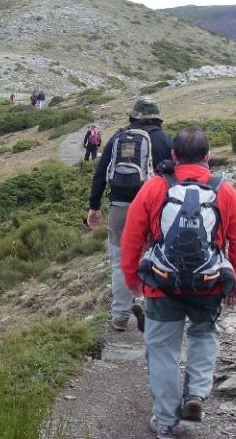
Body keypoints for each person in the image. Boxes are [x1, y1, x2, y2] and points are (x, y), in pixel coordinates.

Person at [120, 126, 236, 439]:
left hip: (161, 285)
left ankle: (165, 422)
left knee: (162, 349)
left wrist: (131, 279)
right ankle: (195, 395)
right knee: (204, 335)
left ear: (174, 156)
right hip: (209, 285)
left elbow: (132, 237)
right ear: (207, 156)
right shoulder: (224, 190)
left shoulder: (154, 188)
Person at [86, 97, 172, 332]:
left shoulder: (118, 137)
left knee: (119, 260)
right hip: (155, 207)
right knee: (153, 256)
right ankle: (145, 302)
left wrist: (94, 207)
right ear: (157, 117)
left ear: (133, 117)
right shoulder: (165, 141)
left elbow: (100, 173)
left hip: (120, 206)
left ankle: (120, 316)